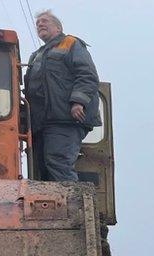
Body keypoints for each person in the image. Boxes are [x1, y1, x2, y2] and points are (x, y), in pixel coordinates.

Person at [24, 10, 101, 182]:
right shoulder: (36, 56)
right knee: (42, 170)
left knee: (59, 163)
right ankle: (49, 207)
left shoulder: (70, 44)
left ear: (58, 28)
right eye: (37, 24)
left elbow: (87, 75)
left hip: (65, 119)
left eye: (45, 21)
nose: (40, 25)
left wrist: (78, 102)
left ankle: (72, 207)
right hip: (41, 123)